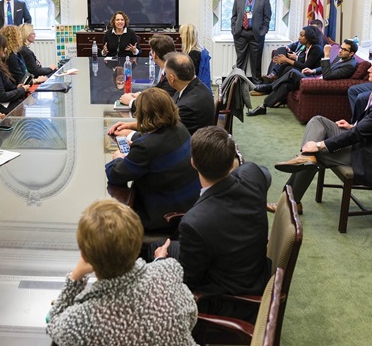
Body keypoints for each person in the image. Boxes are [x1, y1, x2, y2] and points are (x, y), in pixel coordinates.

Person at [153, 127, 271, 319]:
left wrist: (161, 261)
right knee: (159, 245)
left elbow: (188, 281)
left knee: (156, 249)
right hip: (254, 270)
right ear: (231, 162)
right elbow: (265, 174)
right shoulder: (252, 174)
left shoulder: (194, 222)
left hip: (227, 297)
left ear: (193, 163)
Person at [46, 199, 197, 345]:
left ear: (85, 256)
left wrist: (75, 278)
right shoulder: (168, 270)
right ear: (138, 243)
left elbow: (53, 323)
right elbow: (191, 316)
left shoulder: (80, 320)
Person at [272, 54, 372, 208]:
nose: (369, 70)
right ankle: (306, 158)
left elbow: (358, 135)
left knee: (314, 156)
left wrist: (319, 145)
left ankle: (290, 203)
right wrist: (353, 125)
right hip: (366, 141)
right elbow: (371, 127)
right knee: (318, 120)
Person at [105, 88, 201, 231]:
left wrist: (117, 158)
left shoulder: (145, 148)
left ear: (142, 115)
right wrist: (132, 135)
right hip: (192, 205)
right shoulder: (179, 128)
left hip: (166, 217)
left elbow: (115, 175)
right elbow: (158, 140)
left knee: (114, 221)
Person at [248, 38, 357, 116]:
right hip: (316, 77)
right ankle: (263, 106)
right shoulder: (341, 57)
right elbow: (327, 68)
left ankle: (268, 87)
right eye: (341, 47)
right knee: (286, 85)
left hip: (320, 84)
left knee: (293, 72)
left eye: (344, 49)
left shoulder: (349, 66)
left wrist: (327, 55)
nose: (340, 50)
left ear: (351, 53)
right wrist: (313, 70)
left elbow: (328, 75)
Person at [230, 0, 272, 82]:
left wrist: (263, 31)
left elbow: (267, 17)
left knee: (256, 60)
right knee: (240, 61)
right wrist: (234, 29)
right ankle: (239, 82)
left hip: (256, 34)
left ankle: (256, 83)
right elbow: (234, 15)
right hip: (240, 33)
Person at [119, 34, 176, 109]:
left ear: (154, 55)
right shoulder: (168, 69)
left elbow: (160, 105)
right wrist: (141, 94)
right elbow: (158, 89)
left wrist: (131, 102)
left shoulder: (171, 75)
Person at [179, 23, 211, 89]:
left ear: (186, 37)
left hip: (196, 90)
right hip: (203, 88)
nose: (180, 36)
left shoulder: (193, 54)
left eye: (181, 34)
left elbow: (189, 78)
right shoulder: (201, 50)